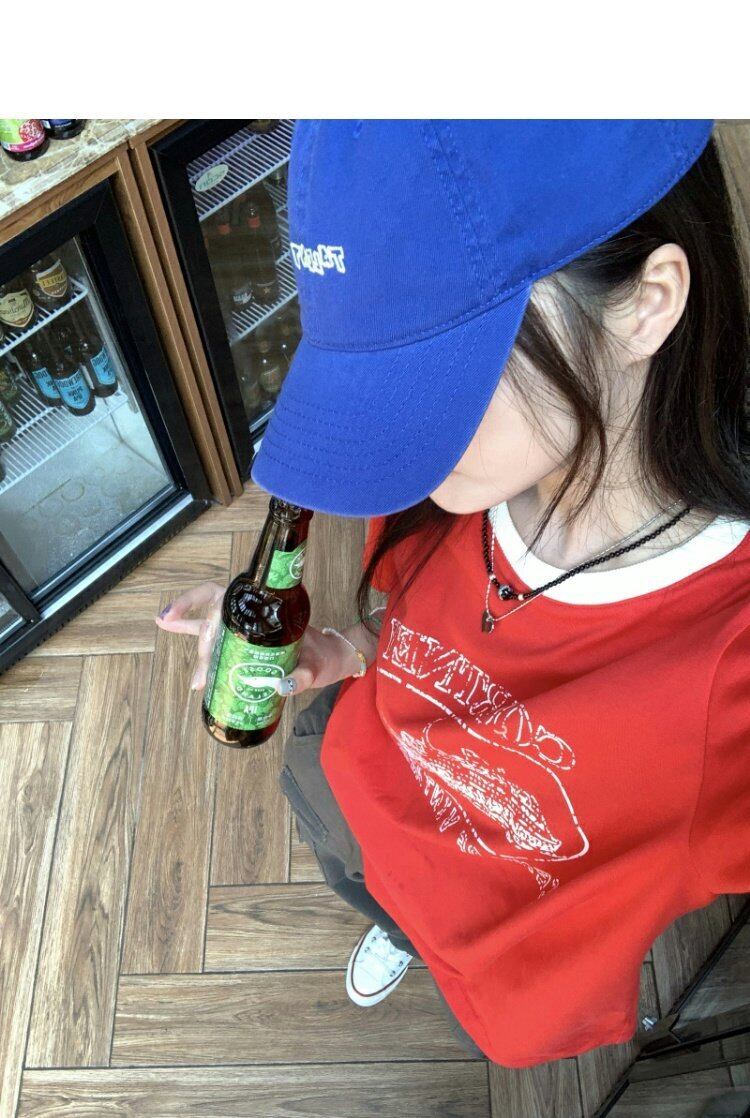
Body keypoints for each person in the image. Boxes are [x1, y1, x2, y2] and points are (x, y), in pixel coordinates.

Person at [156, 121, 750, 1068]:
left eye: (439, 371)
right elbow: (427, 616)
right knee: (371, 878)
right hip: (362, 796)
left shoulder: (729, 678)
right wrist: (350, 650)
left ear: (646, 304)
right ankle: (398, 922)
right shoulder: (454, 489)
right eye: (382, 380)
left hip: (500, 962)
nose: (397, 441)